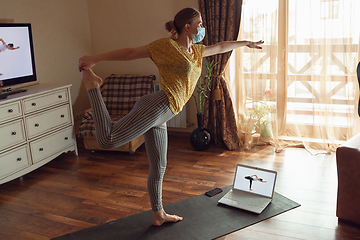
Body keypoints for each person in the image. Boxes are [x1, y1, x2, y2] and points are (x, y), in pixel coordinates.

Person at [78, 7, 263, 226]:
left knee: (159, 166)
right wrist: (95, 59)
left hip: (164, 113)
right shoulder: (165, 47)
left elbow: (221, 46)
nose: (202, 28)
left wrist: (245, 43)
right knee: (107, 140)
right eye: (200, 24)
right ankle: (92, 86)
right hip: (156, 106)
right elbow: (130, 53)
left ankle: (158, 214)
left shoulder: (196, 51)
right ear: (188, 26)